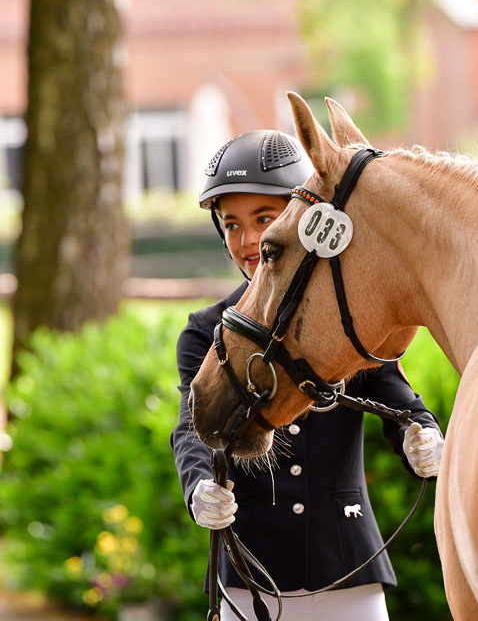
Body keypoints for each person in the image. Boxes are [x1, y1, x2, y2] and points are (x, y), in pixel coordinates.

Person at [171, 129, 444, 621]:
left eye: (263, 219)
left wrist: (418, 434)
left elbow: (396, 396)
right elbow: (191, 428)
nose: (247, 240)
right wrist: (197, 487)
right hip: (251, 571)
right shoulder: (206, 331)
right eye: (231, 224)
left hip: (347, 562)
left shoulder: (347, 320)